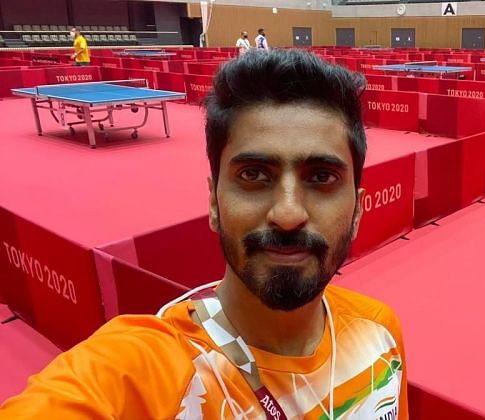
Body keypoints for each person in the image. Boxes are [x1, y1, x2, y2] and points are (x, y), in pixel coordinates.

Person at [0, 49, 408, 419]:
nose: (287, 214)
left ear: (357, 209)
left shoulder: (380, 333)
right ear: (213, 202)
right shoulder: (144, 372)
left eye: (321, 177)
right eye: (253, 175)